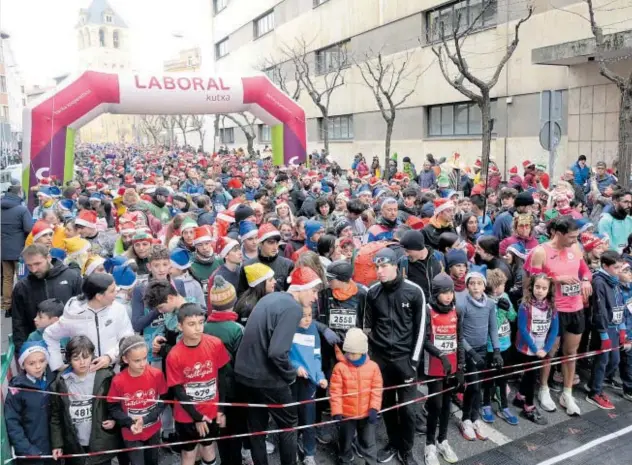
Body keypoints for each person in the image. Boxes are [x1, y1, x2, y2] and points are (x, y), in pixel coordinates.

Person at [234, 266, 322, 465]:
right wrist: (290, 374)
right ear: (300, 288)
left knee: (256, 428)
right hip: (266, 377)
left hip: (244, 373)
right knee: (288, 425)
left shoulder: (269, 298)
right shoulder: (293, 308)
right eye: (314, 291)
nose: (316, 298)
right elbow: (277, 352)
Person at [525, 216, 592, 416]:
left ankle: (567, 392)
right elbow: (533, 281)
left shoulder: (576, 248)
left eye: (576, 237)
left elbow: (585, 270)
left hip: (576, 308)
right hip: (553, 310)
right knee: (550, 352)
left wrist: (587, 280)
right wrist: (557, 279)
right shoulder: (540, 251)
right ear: (558, 233)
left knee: (571, 353)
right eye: (571, 237)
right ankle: (544, 389)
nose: (574, 240)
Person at [365, 247, 426, 465]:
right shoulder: (373, 292)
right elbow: (367, 328)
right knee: (388, 406)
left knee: (408, 410)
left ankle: (406, 449)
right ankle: (393, 442)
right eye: (376, 267)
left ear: (396, 266)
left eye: (384, 266)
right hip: (381, 360)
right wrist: (371, 361)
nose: (379, 271)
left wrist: (414, 362)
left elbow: (421, 330)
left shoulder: (414, 291)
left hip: (405, 360)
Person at [166, 303, 230, 465]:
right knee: (189, 454)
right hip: (186, 416)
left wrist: (221, 409)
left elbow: (223, 378)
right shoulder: (174, 355)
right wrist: (197, 417)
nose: (198, 328)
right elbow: (178, 391)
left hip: (211, 410)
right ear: (180, 326)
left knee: (209, 448)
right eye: (191, 324)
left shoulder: (215, 344)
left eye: (201, 322)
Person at [49, 336, 121, 465]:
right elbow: (56, 416)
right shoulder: (61, 382)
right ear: (69, 359)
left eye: (86, 357)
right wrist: (57, 444)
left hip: (100, 442)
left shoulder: (105, 376)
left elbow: (116, 403)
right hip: (74, 444)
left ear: (93, 356)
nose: (82, 362)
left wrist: (114, 419)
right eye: (76, 358)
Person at [44, 272, 134, 371]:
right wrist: (58, 365)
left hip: (113, 373)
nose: (116, 292)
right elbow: (50, 335)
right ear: (99, 296)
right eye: (112, 291)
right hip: (83, 377)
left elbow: (127, 337)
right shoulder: (74, 314)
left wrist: (109, 357)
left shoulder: (118, 309)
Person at [456, 265, 501, 441]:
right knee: (473, 386)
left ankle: (474, 418)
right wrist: (471, 352)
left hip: (482, 350)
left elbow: (493, 328)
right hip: (468, 352)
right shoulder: (462, 305)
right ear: (467, 286)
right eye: (471, 283)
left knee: (478, 386)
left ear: (484, 286)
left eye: (478, 283)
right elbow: (459, 334)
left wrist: (496, 350)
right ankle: (466, 418)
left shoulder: (489, 304)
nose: (475, 287)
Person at [422, 273, 463, 465]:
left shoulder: (456, 310)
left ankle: (442, 440)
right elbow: (424, 340)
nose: (448, 296)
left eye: (451, 292)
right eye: (444, 292)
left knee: (447, 405)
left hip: (451, 366)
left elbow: (459, 339)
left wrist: (461, 367)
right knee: (436, 405)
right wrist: (441, 355)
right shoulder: (428, 310)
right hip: (434, 366)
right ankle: (429, 445)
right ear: (436, 292)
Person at [204, 275, 245, 465]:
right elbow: (241, 363)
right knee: (234, 432)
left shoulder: (203, 327)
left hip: (211, 389)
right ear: (233, 301)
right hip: (233, 390)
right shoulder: (237, 329)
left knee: (220, 430)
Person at [11, 244, 83, 355]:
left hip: (72, 347)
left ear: (48, 258)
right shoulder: (22, 287)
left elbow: (84, 311)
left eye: (37, 264)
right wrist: (22, 351)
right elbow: (18, 322)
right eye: (29, 266)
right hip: (38, 349)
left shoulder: (72, 277)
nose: (34, 269)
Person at [107, 335, 167, 465]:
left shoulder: (156, 374)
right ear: (125, 359)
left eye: (145, 358)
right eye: (137, 360)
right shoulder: (118, 381)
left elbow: (164, 400)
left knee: (152, 461)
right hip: (131, 432)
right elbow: (113, 407)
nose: (142, 364)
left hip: (152, 429)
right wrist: (129, 423)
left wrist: (146, 419)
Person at [329, 328, 383, 465]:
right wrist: (337, 411)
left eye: (353, 353)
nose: (349, 355)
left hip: (366, 414)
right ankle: (344, 460)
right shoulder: (340, 367)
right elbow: (335, 391)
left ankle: (371, 462)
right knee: (345, 442)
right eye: (347, 352)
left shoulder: (373, 367)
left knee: (369, 442)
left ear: (363, 351)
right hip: (347, 415)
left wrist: (374, 408)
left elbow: (377, 389)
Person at [513, 273, 559, 424]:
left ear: (549, 290)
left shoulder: (552, 306)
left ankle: (520, 397)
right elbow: (522, 328)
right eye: (537, 287)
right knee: (532, 376)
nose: (540, 290)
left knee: (529, 374)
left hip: (541, 348)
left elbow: (554, 329)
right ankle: (529, 406)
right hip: (527, 348)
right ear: (532, 287)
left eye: (544, 288)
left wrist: (546, 348)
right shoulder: (525, 305)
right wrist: (534, 348)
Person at [587, 250, 626, 409]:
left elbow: (619, 302)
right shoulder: (599, 282)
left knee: (614, 361)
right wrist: (603, 334)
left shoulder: (614, 280)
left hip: (615, 327)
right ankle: (594, 392)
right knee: (602, 361)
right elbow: (600, 310)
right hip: (604, 330)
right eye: (616, 267)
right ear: (605, 266)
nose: (619, 271)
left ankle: (593, 383)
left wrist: (622, 326)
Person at [289, 306, 328, 465]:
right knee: (291, 418)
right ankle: (291, 450)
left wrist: (320, 377)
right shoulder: (288, 328)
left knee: (309, 418)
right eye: (303, 316)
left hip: (309, 382)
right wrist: (295, 367)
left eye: (310, 315)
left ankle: (309, 453)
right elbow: (283, 355)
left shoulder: (313, 329)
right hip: (292, 380)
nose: (307, 319)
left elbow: (316, 357)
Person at [5, 341, 54, 465]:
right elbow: (12, 422)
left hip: (55, 450)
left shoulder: (53, 380)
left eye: (42, 361)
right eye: (31, 363)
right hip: (32, 453)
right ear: (22, 365)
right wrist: (27, 450)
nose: (38, 366)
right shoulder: (18, 389)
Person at [481, 269, 519, 425]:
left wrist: (508, 308)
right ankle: (486, 405)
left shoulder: (505, 297)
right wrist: (501, 312)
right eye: (503, 284)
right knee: (489, 378)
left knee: (503, 378)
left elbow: (513, 317)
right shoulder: (486, 301)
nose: (505, 287)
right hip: (491, 347)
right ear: (496, 287)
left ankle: (503, 406)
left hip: (506, 344)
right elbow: (492, 327)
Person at [1, 183, 33, 316]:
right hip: (20, 251)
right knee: (22, 278)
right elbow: (29, 228)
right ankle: (21, 305)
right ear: (19, 193)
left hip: (3, 250)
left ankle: (6, 305)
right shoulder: (22, 210)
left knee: (7, 278)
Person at [239, 223, 294, 293]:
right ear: (260, 243)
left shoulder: (288, 265)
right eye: (271, 243)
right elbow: (242, 294)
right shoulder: (247, 266)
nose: (275, 247)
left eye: (277, 243)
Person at [190, 226, 223, 295]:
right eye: (200, 245)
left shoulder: (220, 260)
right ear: (195, 246)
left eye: (207, 243)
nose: (204, 247)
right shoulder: (191, 265)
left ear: (211, 243)